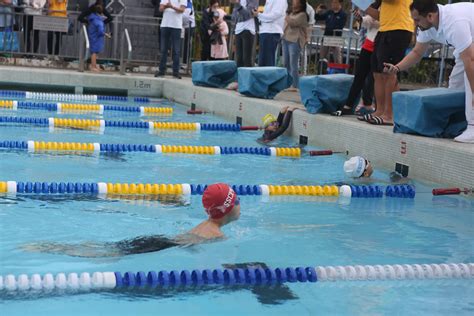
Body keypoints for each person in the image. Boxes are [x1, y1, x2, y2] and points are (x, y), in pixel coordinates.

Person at [21, 183, 241, 257]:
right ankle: (50, 247)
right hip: (158, 245)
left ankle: (52, 247)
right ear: (228, 207)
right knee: (106, 253)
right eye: (237, 199)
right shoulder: (217, 235)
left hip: (159, 241)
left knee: (108, 249)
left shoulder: (206, 225)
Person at [383, 0, 474, 143]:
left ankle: (473, 127)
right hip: (468, 48)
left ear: (430, 16)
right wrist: (397, 67)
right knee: (455, 86)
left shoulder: (454, 23)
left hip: (470, 51)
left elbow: (471, 61)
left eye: (417, 20)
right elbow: (417, 52)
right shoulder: (427, 26)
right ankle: (460, 125)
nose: (415, 24)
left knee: (471, 83)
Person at [361, 0, 413, 126]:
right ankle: (380, 110)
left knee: (389, 72)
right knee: (377, 73)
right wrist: (362, 4)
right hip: (384, 28)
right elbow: (378, 15)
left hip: (399, 29)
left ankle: (389, 114)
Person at [332, 9, 379, 116]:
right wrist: (361, 18)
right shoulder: (376, 5)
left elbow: (384, 22)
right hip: (369, 43)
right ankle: (348, 105)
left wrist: (372, 18)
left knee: (373, 78)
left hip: (381, 44)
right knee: (359, 76)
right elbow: (369, 22)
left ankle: (369, 105)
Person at [155, 0, 187, 79]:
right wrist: (167, 6)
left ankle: (175, 72)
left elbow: (182, 10)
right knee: (163, 50)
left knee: (176, 50)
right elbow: (160, 8)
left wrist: (172, 6)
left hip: (176, 26)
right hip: (165, 25)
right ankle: (161, 71)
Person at [281, 0, 308, 91]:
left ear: (300, 3)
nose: (293, 2)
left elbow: (293, 23)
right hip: (286, 39)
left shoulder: (303, 15)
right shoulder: (291, 13)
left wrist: (285, 15)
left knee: (293, 63)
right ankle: (287, 82)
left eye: (295, 1)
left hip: (295, 40)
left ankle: (295, 84)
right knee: (286, 62)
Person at [255, 0, 287, 67]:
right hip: (265, 31)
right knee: (262, 61)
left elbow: (275, 15)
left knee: (268, 62)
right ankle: (263, 77)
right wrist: (259, 15)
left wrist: (259, 15)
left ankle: (268, 77)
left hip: (271, 31)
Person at [315, 0, 347, 64]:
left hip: (336, 39)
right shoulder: (329, 12)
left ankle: (338, 72)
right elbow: (318, 18)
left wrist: (326, 27)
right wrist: (317, 12)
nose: (333, 4)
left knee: (337, 60)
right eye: (332, 2)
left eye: (335, 2)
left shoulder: (343, 14)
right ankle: (322, 71)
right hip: (326, 37)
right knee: (322, 58)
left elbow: (339, 27)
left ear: (339, 3)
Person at [231, 0, 258, 67]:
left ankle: (248, 77)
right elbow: (234, 17)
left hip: (248, 29)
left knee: (246, 59)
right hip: (238, 30)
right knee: (239, 59)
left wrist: (237, 4)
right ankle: (240, 77)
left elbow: (247, 15)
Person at [87, 4, 109, 72]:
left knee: (94, 52)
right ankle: (93, 67)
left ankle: (94, 65)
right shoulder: (99, 22)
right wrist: (106, 35)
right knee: (94, 52)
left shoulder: (93, 18)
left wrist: (102, 18)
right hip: (96, 37)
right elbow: (100, 31)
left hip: (92, 35)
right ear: (101, 12)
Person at [181, 0, 195, 64]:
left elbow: (186, 15)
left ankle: (185, 62)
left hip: (188, 25)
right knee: (184, 45)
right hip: (185, 25)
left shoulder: (188, 1)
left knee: (186, 45)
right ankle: (183, 62)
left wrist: (179, 21)